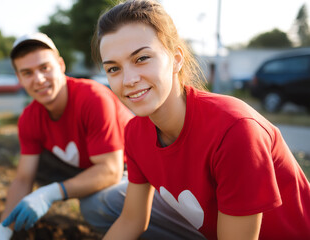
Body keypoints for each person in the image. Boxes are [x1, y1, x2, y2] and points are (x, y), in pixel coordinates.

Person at [93, 0, 310, 239]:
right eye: (113, 69)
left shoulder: (235, 130)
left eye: (141, 58)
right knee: (103, 203)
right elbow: (131, 221)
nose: (128, 80)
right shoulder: (135, 132)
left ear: (176, 59)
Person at [0, 32, 135, 239]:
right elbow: (23, 179)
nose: (39, 79)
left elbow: (111, 170)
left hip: (135, 170)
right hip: (91, 166)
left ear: (61, 65)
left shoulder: (92, 97)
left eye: (44, 68)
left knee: (94, 205)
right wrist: (2, 230)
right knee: (38, 163)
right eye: (27, 73)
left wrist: (48, 194)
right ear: (19, 78)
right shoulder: (29, 119)